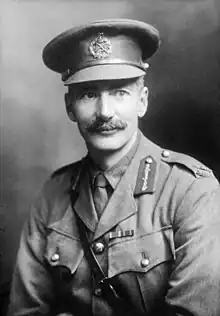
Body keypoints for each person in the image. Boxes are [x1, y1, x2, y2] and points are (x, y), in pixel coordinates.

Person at [7, 19, 220, 316]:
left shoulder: (191, 190)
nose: (105, 112)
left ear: (142, 102)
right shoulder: (52, 195)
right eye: (89, 94)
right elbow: (25, 311)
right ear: (70, 106)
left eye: (120, 92)